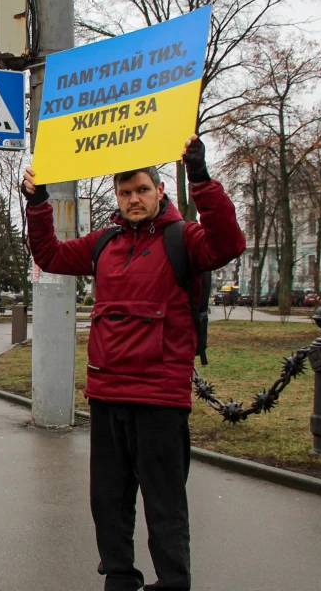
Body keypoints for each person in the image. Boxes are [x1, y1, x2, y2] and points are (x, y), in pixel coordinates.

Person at [21, 135, 245, 591]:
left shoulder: (186, 239)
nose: (133, 199)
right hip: (106, 396)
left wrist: (201, 178)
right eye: (125, 193)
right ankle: (120, 580)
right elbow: (50, 255)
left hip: (160, 400)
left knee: (164, 508)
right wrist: (38, 203)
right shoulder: (106, 242)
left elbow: (229, 243)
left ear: (159, 191)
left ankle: (173, 583)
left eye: (141, 190)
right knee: (108, 504)